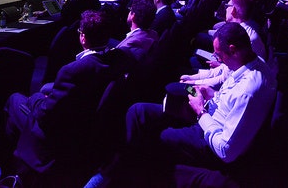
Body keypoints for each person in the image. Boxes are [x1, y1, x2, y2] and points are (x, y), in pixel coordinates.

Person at [84, 22, 276, 187]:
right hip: (208, 113)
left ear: (233, 50)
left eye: (219, 55)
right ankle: (124, 164)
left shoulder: (249, 90)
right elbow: (230, 100)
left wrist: (200, 112)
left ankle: (124, 172)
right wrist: (211, 93)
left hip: (207, 139)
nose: (217, 59)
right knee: (139, 111)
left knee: (155, 138)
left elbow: (226, 151)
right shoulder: (250, 60)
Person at [4, 10, 122, 182]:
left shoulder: (74, 70)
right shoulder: (118, 59)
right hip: (88, 131)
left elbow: (44, 114)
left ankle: (14, 169)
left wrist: (35, 98)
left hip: (59, 137)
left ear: (83, 37)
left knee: (14, 100)